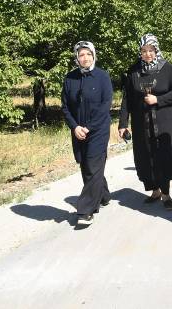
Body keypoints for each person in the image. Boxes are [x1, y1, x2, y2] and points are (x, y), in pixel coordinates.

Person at [118, 34, 172, 209]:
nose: (147, 54)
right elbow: (126, 99)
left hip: (164, 119)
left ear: (156, 50)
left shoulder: (166, 68)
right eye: (144, 51)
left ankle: (166, 193)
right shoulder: (134, 70)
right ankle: (154, 190)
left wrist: (158, 100)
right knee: (145, 154)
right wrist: (123, 123)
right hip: (141, 121)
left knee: (163, 155)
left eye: (151, 50)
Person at [60, 41, 113, 226]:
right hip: (78, 130)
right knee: (85, 163)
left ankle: (86, 210)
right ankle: (104, 195)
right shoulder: (70, 79)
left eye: (88, 54)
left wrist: (89, 127)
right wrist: (75, 127)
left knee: (93, 164)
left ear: (93, 55)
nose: (85, 58)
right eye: (81, 55)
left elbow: (105, 105)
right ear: (77, 58)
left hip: (98, 129)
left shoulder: (102, 77)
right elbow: (65, 107)